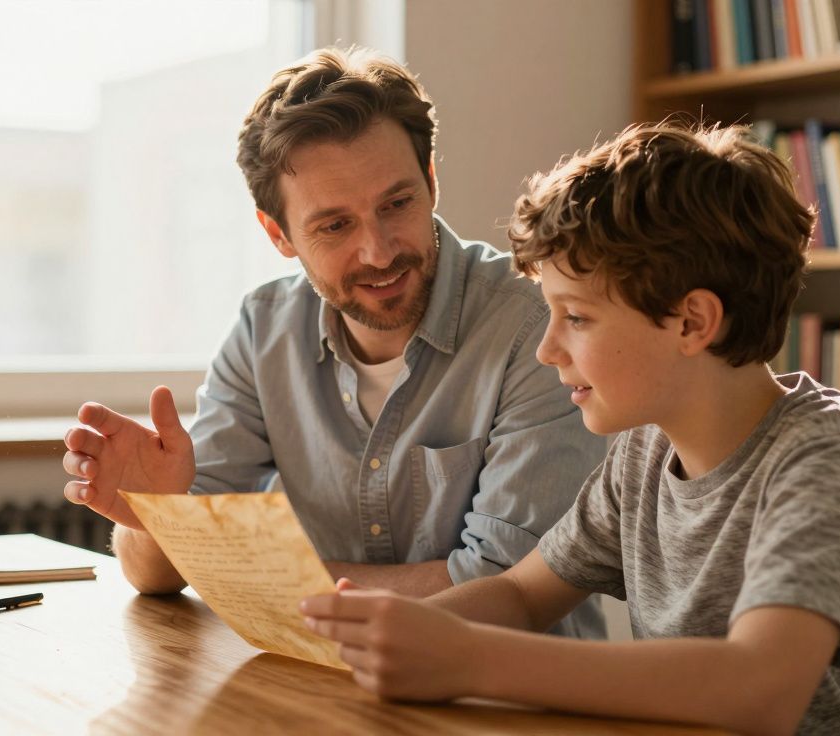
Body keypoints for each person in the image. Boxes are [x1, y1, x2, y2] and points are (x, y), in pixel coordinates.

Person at [299, 122, 840, 734]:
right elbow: (523, 596)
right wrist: (388, 639)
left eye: (575, 317)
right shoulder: (643, 453)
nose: (546, 349)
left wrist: (469, 658)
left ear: (692, 323)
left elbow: (762, 688)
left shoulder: (828, 455)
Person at [62, 47, 605, 636]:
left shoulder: (537, 327)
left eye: (397, 204)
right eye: (335, 225)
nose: (379, 251)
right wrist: (155, 515)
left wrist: (257, 573)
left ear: (431, 182)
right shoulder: (263, 331)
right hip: (322, 691)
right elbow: (160, 576)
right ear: (278, 234)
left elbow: (499, 586)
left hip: (506, 705)